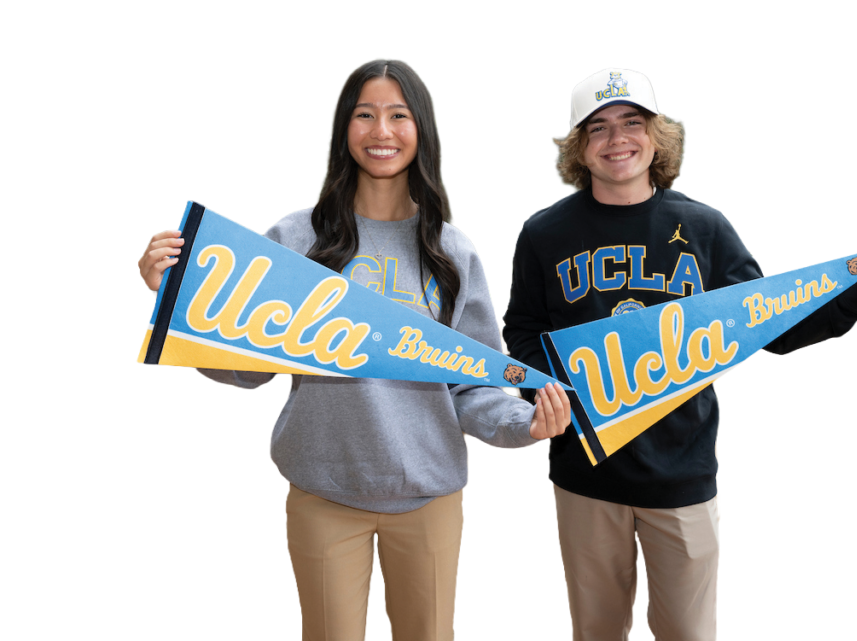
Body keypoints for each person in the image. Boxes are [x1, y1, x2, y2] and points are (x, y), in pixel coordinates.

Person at [137, 59, 572, 641]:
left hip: (428, 495)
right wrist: (165, 302)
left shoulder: (452, 251)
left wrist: (526, 422)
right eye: (365, 115)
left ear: (421, 130)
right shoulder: (294, 239)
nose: (381, 131)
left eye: (398, 115)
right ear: (343, 129)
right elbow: (247, 368)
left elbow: (471, 384)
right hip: (322, 490)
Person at [501, 68, 857, 641]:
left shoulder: (703, 228)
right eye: (598, 127)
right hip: (585, 470)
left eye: (632, 122)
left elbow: (770, 326)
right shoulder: (543, 234)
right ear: (578, 147)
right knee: (595, 630)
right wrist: (546, 390)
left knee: (689, 631)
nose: (617, 138)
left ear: (657, 136)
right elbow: (523, 329)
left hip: (681, 469)